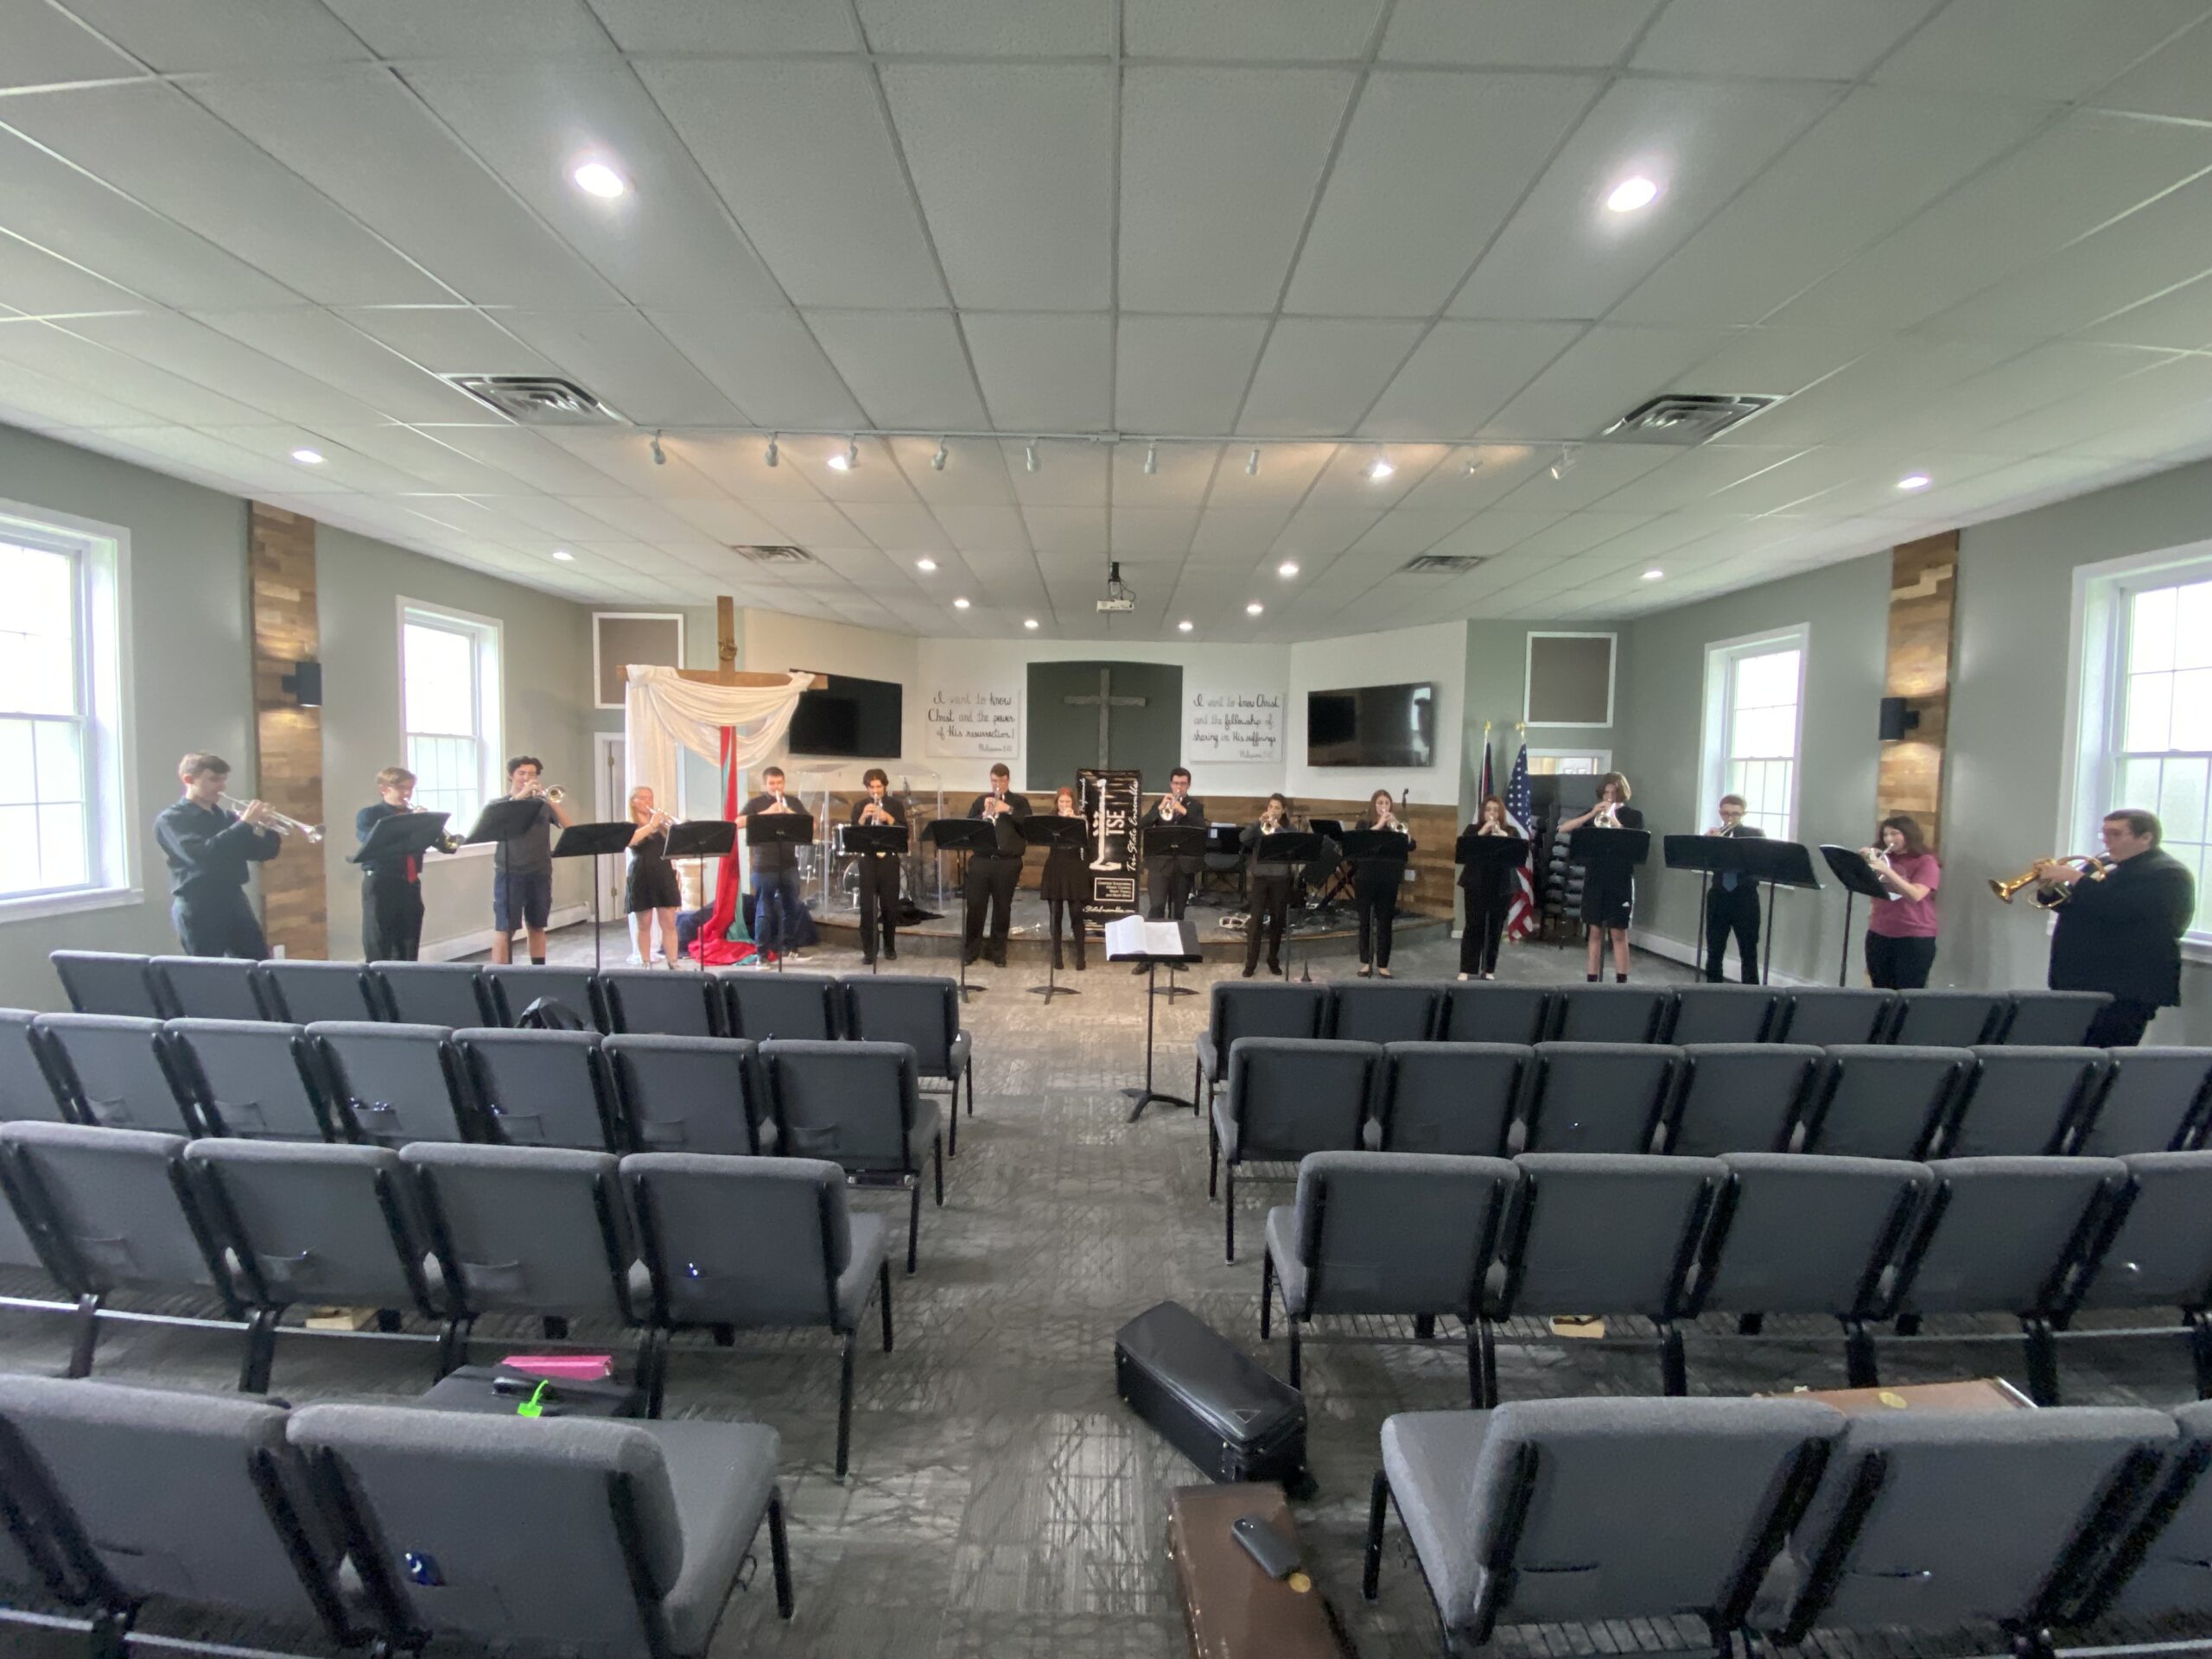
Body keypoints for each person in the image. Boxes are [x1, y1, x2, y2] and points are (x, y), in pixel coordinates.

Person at [2040, 807, 2196, 1047]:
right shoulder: (2100, 864)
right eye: (2104, 834)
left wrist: (2076, 878)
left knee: (2109, 1049)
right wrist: (2049, 888)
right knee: (2069, 1050)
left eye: (2115, 834)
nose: (2107, 840)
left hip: (2125, 984)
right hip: (2079, 978)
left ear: (2145, 838)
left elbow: (2119, 909)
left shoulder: (2168, 873)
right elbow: (2075, 905)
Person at [156, 752, 281, 958]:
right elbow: (203, 855)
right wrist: (244, 824)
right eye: (214, 779)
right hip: (198, 903)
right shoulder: (172, 820)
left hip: (234, 899)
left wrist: (268, 828)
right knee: (208, 971)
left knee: (258, 965)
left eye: (223, 780)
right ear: (189, 780)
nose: (221, 786)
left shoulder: (227, 818)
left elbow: (263, 852)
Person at [1560, 772, 1643, 982]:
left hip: (1620, 880)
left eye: (1614, 793)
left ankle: (1621, 981)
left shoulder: (1634, 816)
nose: (1609, 796)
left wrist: (1613, 819)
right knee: (1595, 931)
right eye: (1606, 792)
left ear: (1621, 793)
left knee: (1618, 932)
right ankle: (1592, 979)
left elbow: (1635, 844)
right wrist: (1591, 814)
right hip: (1595, 878)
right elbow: (1563, 828)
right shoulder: (1594, 814)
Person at [490, 755, 571, 965]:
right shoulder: (499, 804)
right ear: (511, 775)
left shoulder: (541, 804)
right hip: (510, 872)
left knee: (537, 925)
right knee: (506, 927)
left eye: (532, 774)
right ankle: (499, 974)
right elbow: (500, 820)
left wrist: (551, 802)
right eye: (522, 773)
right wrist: (522, 795)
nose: (527, 778)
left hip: (540, 871)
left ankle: (538, 971)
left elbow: (569, 827)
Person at [1134, 766, 1208, 973]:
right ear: (1170, 784)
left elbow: (1201, 828)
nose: (1179, 787)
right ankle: (1148, 958)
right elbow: (1141, 825)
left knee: (1178, 911)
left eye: (1183, 784)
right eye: (1176, 783)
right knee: (1156, 908)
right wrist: (1158, 810)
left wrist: (1183, 811)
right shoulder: (1160, 803)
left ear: (1188, 785)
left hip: (1183, 866)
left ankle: (1174, 956)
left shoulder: (1195, 807)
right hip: (1160, 865)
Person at [735, 765, 807, 964]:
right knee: (764, 909)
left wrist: (788, 812)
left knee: (791, 907)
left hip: (789, 863)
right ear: (765, 784)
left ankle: (789, 948)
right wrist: (767, 812)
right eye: (772, 783)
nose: (776, 787)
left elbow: (811, 825)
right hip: (764, 865)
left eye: (779, 783)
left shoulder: (793, 801)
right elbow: (737, 822)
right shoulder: (756, 803)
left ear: (784, 783)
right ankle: (762, 953)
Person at [1860, 815, 1942, 989]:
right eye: (1885, 835)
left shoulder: (1926, 861)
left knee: (1908, 992)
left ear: (1908, 834)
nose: (1889, 839)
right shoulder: (1885, 858)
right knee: (1880, 989)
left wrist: (1887, 870)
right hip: (1879, 932)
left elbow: (1916, 895)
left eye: (1894, 834)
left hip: (1914, 935)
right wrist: (1865, 860)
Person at [355, 766, 427, 962]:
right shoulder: (370, 815)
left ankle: (407, 979)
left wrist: (427, 825)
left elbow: (443, 845)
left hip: (410, 883)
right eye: (401, 788)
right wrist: (410, 825)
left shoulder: (414, 815)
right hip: (382, 883)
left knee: (409, 944)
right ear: (383, 789)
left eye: (410, 788)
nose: (407, 794)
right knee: (379, 944)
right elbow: (370, 842)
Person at [963, 763, 1031, 967]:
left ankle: (998, 953)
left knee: (1002, 909)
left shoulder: (1019, 802)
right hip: (981, 861)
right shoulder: (981, 801)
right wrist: (983, 815)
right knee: (975, 907)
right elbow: (968, 827)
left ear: (1008, 780)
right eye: (994, 781)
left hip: (1007, 863)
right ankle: (970, 951)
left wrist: (1008, 809)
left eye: (1001, 780)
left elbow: (1029, 825)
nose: (997, 784)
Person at [1702, 793, 1767, 984]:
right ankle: (1712, 990)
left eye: (1735, 814)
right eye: (1726, 813)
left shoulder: (1755, 835)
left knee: (1748, 950)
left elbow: (1761, 863)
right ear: (1720, 813)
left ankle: (1751, 993)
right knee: (1714, 948)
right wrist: (1706, 843)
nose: (1730, 818)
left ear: (1743, 814)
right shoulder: (1715, 835)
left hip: (1745, 897)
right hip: (1718, 895)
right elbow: (1704, 862)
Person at [1351, 789, 1414, 979]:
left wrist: (1402, 832)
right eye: (1380, 803)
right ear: (1374, 805)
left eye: (1387, 803)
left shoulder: (1394, 827)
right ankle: (1365, 962)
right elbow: (1358, 843)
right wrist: (1379, 825)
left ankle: (1383, 965)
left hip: (1388, 878)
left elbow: (1411, 845)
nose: (1384, 807)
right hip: (1365, 877)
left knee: (1385, 921)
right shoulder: (1364, 823)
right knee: (1365, 921)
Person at [1458, 793, 1516, 982]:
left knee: (1495, 929)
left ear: (1501, 813)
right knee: (1473, 926)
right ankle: (1466, 968)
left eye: (1496, 810)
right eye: (1489, 809)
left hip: (1500, 886)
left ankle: (1488, 968)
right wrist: (1482, 832)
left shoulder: (1510, 831)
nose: (1492, 813)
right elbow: (1464, 850)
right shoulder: (1472, 829)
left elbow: (1516, 854)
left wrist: (1502, 835)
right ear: (1483, 812)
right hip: (1475, 884)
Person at [851, 768, 906, 967]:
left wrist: (888, 818)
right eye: (872, 787)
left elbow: (904, 832)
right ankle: (870, 951)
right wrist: (862, 818)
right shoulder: (859, 806)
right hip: (867, 860)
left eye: (879, 787)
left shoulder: (895, 805)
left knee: (890, 907)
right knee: (867, 908)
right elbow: (852, 835)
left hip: (889, 860)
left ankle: (890, 947)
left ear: (885, 786)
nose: (875, 791)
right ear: (867, 788)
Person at [1240, 793, 1299, 979]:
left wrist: (1279, 829)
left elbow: (1293, 845)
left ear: (1283, 811)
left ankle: (1273, 959)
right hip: (1260, 877)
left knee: (1277, 920)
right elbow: (1243, 838)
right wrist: (1258, 823)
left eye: (1277, 808)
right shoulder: (1260, 826)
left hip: (1281, 878)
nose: (1273, 811)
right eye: (1271, 807)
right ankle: (1250, 962)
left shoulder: (1289, 828)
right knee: (1255, 920)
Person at [625, 786, 683, 968]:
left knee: (669, 922)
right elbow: (630, 841)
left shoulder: (660, 824)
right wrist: (651, 825)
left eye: (650, 797)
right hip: (641, 874)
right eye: (642, 798)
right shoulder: (631, 824)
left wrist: (670, 827)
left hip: (663, 873)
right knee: (644, 923)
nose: (647, 802)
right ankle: (646, 961)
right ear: (633, 801)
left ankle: (673, 961)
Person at [1040, 785, 1089, 972]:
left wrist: (1073, 819)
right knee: (1056, 914)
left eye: (1067, 801)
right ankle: (1057, 956)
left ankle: (1081, 957)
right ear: (1057, 803)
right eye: (1061, 801)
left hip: (1074, 868)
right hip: (1055, 867)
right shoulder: (1051, 821)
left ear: (1073, 803)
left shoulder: (1080, 819)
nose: (1064, 804)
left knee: (1076, 913)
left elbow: (1085, 839)